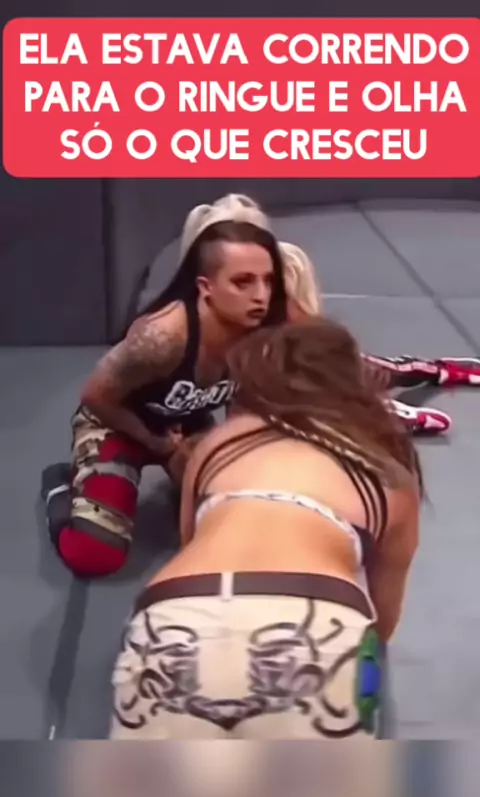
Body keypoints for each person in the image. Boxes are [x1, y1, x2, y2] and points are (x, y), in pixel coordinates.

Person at [42, 194, 479, 580]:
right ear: (206, 287)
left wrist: (377, 409)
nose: (260, 296)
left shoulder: (270, 317)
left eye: (268, 281)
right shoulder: (162, 336)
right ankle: (60, 485)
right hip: (122, 424)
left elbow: (337, 363)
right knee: (95, 554)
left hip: (187, 423)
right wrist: (160, 445)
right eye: (243, 282)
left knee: (244, 526)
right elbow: (96, 397)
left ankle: (434, 370)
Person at [110, 316, 422, 741]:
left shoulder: (218, 443)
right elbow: (382, 622)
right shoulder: (388, 474)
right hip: (317, 625)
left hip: (176, 616)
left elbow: (190, 542)